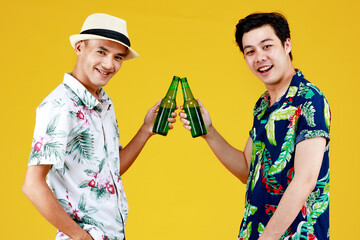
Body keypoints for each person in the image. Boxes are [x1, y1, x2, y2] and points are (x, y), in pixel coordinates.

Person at [22, 13, 177, 240]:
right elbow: (32, 185)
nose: (109, 64)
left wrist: (146, 130)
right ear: (79, 47)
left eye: (118, 57)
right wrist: (81, 237)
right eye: (101, 52)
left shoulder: (103, 102)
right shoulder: (60, 105)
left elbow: (108, 171)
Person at [180, 12, 330, 240]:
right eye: (250, 51)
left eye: (267, 46)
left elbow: (305, 180)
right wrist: (208, 132)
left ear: (286, 44)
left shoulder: (309, 98)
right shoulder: (262, 105)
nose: (259, 57)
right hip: (255, 230)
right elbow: (246, 169)